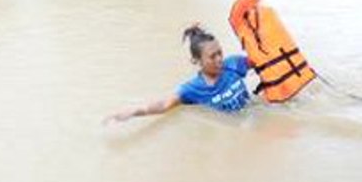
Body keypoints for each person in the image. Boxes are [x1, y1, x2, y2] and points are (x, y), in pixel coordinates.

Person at [105, 24, 253, 123]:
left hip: (253, 112)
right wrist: (133, 111)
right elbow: (164, 105)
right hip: (233, 126)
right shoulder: (192, 89)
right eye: (212, 56)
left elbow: (264, 61)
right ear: (197, 61)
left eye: (220, 53)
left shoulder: (234, 64)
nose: (219, 59)